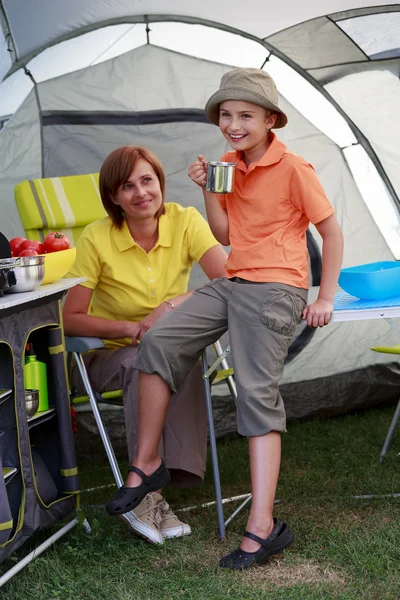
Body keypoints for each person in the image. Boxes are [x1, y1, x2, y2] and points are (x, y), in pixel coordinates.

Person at [105, 68, 344, 569]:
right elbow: (226, 234)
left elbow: (331, 232)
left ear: (270, 120)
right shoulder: (227, 165)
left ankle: (263, 527)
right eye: (227, 115)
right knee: (160, 341)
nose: (234, 124)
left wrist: (325, 296)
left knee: (257, 396)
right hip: (234, 280)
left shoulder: (295, 168)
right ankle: (147, 464)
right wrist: (209, 188)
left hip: (277, 286)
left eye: (246, 116)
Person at [63, 145, 228, 545]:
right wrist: (130, 326)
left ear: (160, 182)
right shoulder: (97, 237)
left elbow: (229, 280)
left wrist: (169, 306)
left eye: (147, 180)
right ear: (113, 198)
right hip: (105, 355)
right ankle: (149, 495)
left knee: (177, 352)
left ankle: (156, 482)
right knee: (146, 357)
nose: (140, 193)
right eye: (126, 186)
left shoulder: (186, 221)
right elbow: (70, 317)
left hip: (168, 345)